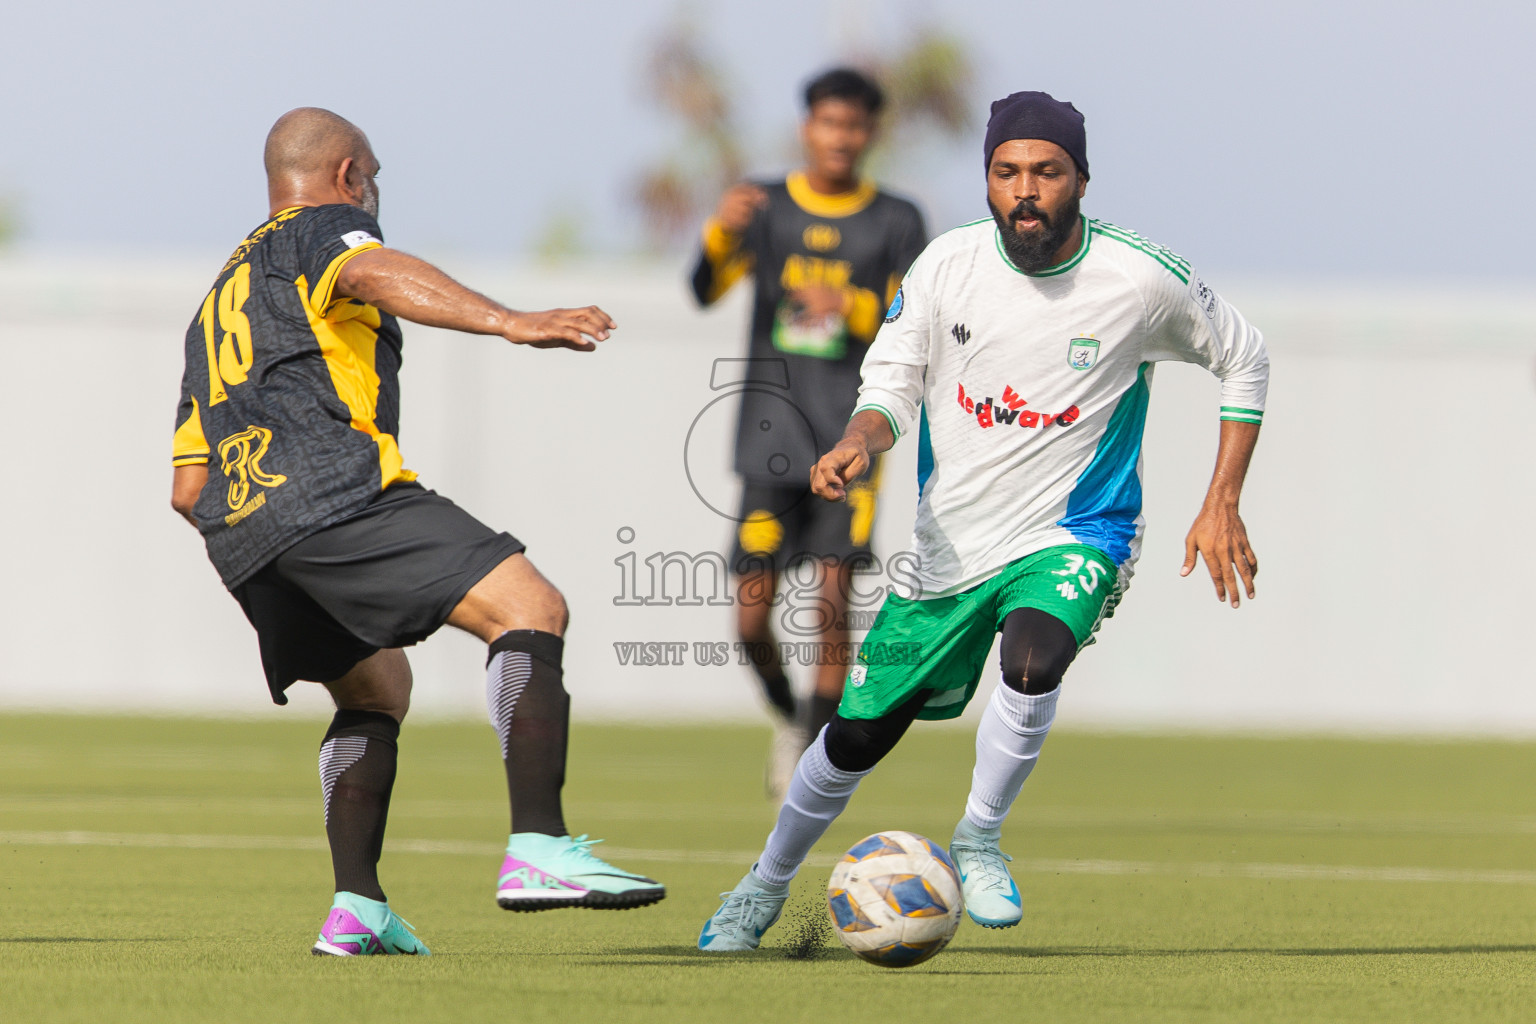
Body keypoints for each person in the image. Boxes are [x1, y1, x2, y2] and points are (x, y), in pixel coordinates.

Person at [698, 90, 1269, 951]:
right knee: (855, 735)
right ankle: (764, 885)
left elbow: (1246, 358)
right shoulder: (945, 267)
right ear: (989, 180)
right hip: (951, 551)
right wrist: (859, 440)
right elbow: (889, 386)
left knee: (1035, 657)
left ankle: (978, 839)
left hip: (1077, 534)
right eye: (1008, 172)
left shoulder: (1140, 277)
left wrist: (1221, 497)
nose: (1026, 189)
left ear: (1081, 179)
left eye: (1046, 171)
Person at [170, 107, 664, 957]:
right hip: (333, 491)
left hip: (244, 534)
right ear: (349, 174)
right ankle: (539, 846)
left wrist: (265, 530)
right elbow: (375, 273)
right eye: (375, 181)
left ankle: (356, 908)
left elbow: (187, 487)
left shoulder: (217, 302)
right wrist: (511, 321)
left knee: (376, 690)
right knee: (529, 605)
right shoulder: (323, 230)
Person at [690, 68, 927, 799]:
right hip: (769, 437)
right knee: (750, 615)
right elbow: (704, 288)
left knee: (831, 606)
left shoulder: (895, 219)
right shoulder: (765, 206)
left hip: (848, 441)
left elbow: (909, 323)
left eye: (854, 126)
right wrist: (721, 229)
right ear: (807, 128)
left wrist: (851, 306)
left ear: (870, 134)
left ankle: (818, 768)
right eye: (829, 123)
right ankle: (791, 719)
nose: (841, 138)